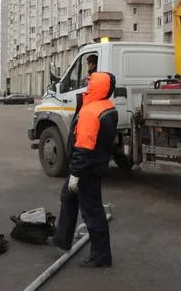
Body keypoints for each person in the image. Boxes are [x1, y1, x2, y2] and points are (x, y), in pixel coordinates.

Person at [53, 71, 118, 268]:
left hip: (86, 170)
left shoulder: (91, 112)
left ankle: (101, 256)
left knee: (92, 212)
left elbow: (84, 147)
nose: (87, 84)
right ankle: (62, 239)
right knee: (68, 198)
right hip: (94, 165)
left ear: (98, 86)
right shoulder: (107, 106)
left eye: (90, 82)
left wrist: (75, 173)